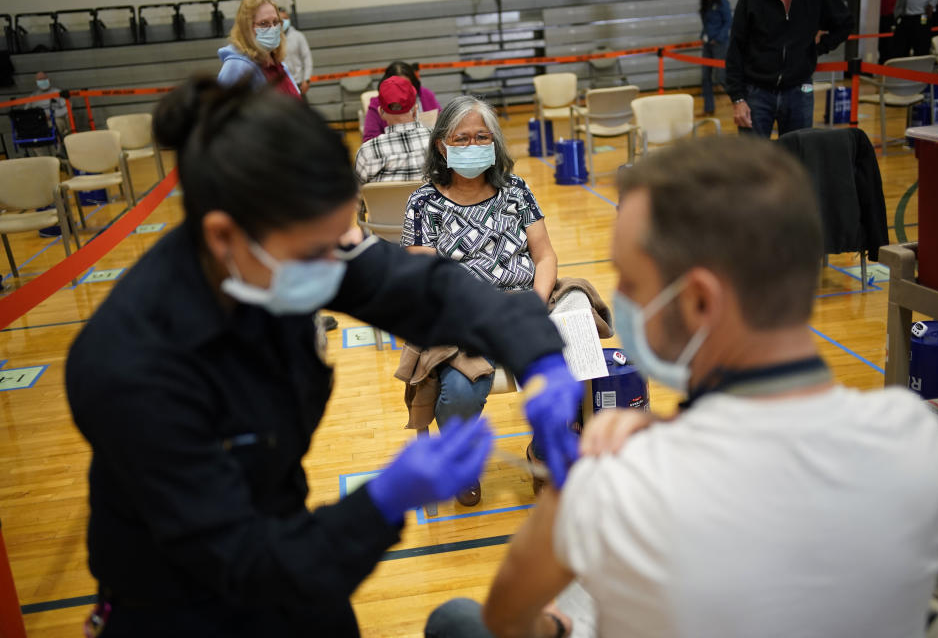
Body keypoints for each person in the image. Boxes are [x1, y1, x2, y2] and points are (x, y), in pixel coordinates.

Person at [65, 76, 582, 637]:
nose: (341, 263)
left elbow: (429, 286)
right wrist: (385, 499)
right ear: (222, 237)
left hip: (291, 543)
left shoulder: (285, 249)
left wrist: (540, 357)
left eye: (346, 240)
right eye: (322, 249)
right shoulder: (129, 370)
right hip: (187, 603)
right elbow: (250, 567)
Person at [425, 136, 938, 638]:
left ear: (700, 301)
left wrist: (570, 489)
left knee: (455, 620)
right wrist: (671, 428)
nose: (623, 302)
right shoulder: (917, 437)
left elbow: (509, 623)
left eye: (631, 283)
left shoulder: (618, 485)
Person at [399, 95, 560, 506]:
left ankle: (543, 455)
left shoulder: (516, 191)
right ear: (441, 145)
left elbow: (544, 256)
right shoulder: (423, 204)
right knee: (458, 394)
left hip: (524, 306)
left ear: (495, 143)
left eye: (481, 137)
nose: (473, 146)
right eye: (461, 138)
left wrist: (537, 303)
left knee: (570, 373)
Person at [726, 0, 853, 137]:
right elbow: (735, 47)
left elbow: (845, 24)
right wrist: (737, 98)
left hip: (800, 91)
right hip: (756, 93)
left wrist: (817, 49)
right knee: (753, 157)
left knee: (796, 156)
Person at [355, 75, 432, 185]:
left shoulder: (367, 151)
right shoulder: (439, 141)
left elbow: (358, 194)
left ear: (381, 112)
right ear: (415, 110)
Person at [217, 0, 299, 97]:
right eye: (264, 24)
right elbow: (221, 109)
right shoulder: (238, 66)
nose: (273, 28)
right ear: (247, 28)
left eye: (276, 22)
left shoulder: (278, 64)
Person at [363, 60, 441, 142]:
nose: (401, 93)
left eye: (405, 87)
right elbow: (369, 138)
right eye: (396, 87)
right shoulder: (377, 103)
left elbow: (442, 121)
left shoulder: (425, 94)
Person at [699, 0, 731, 116]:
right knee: (705, 77)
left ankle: (741, 100)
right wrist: (703, 35)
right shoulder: (705, 2)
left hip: (720, 45)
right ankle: (709, 108)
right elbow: (706, 23)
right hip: (707, 45)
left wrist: (718, 39)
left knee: (721, 76)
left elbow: (728, 21)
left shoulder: (722, 2)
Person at [278, 7, 312, 97]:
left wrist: (306, 79)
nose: (283, 21)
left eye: (285, 18)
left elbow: (307, 58)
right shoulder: (272, 39)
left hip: (297, 82)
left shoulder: (298, 36)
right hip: (281, 85)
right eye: (281, 19)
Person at [28, 71, 69, 139]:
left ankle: (57, 146)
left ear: (48, 79)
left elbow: (67, 108)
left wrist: (51, 115)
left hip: (56, 119)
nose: (42, 81)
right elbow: (27, 111)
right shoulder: (33, 96)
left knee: (54, 126)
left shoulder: (58, 92)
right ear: (36, 82)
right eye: (40, 80)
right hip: (38, 122)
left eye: (44, 78)